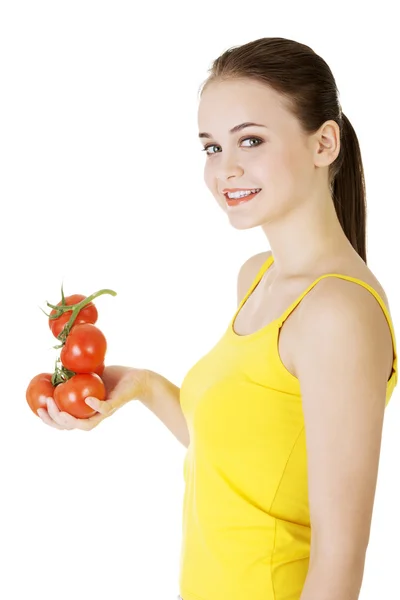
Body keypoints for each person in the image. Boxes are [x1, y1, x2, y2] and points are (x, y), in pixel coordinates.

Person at [37, 37, 398, 600]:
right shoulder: (258, 276)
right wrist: (147, 388)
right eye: (210, 148)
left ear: (324, 142)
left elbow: (340, 562)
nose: (224, 169)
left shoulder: (336, 314)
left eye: (249, 140)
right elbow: (241, 464)